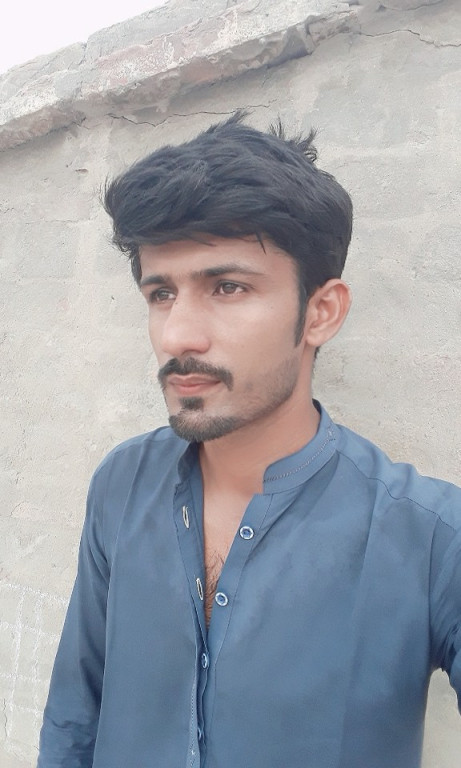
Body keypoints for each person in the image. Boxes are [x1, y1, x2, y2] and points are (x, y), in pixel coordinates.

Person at [37, 112, 461, 768]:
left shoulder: (430, 536)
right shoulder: (121, 483)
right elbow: (75, 716)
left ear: (320, 312)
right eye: (160, 293)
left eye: (227, 287)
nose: (177, 335)